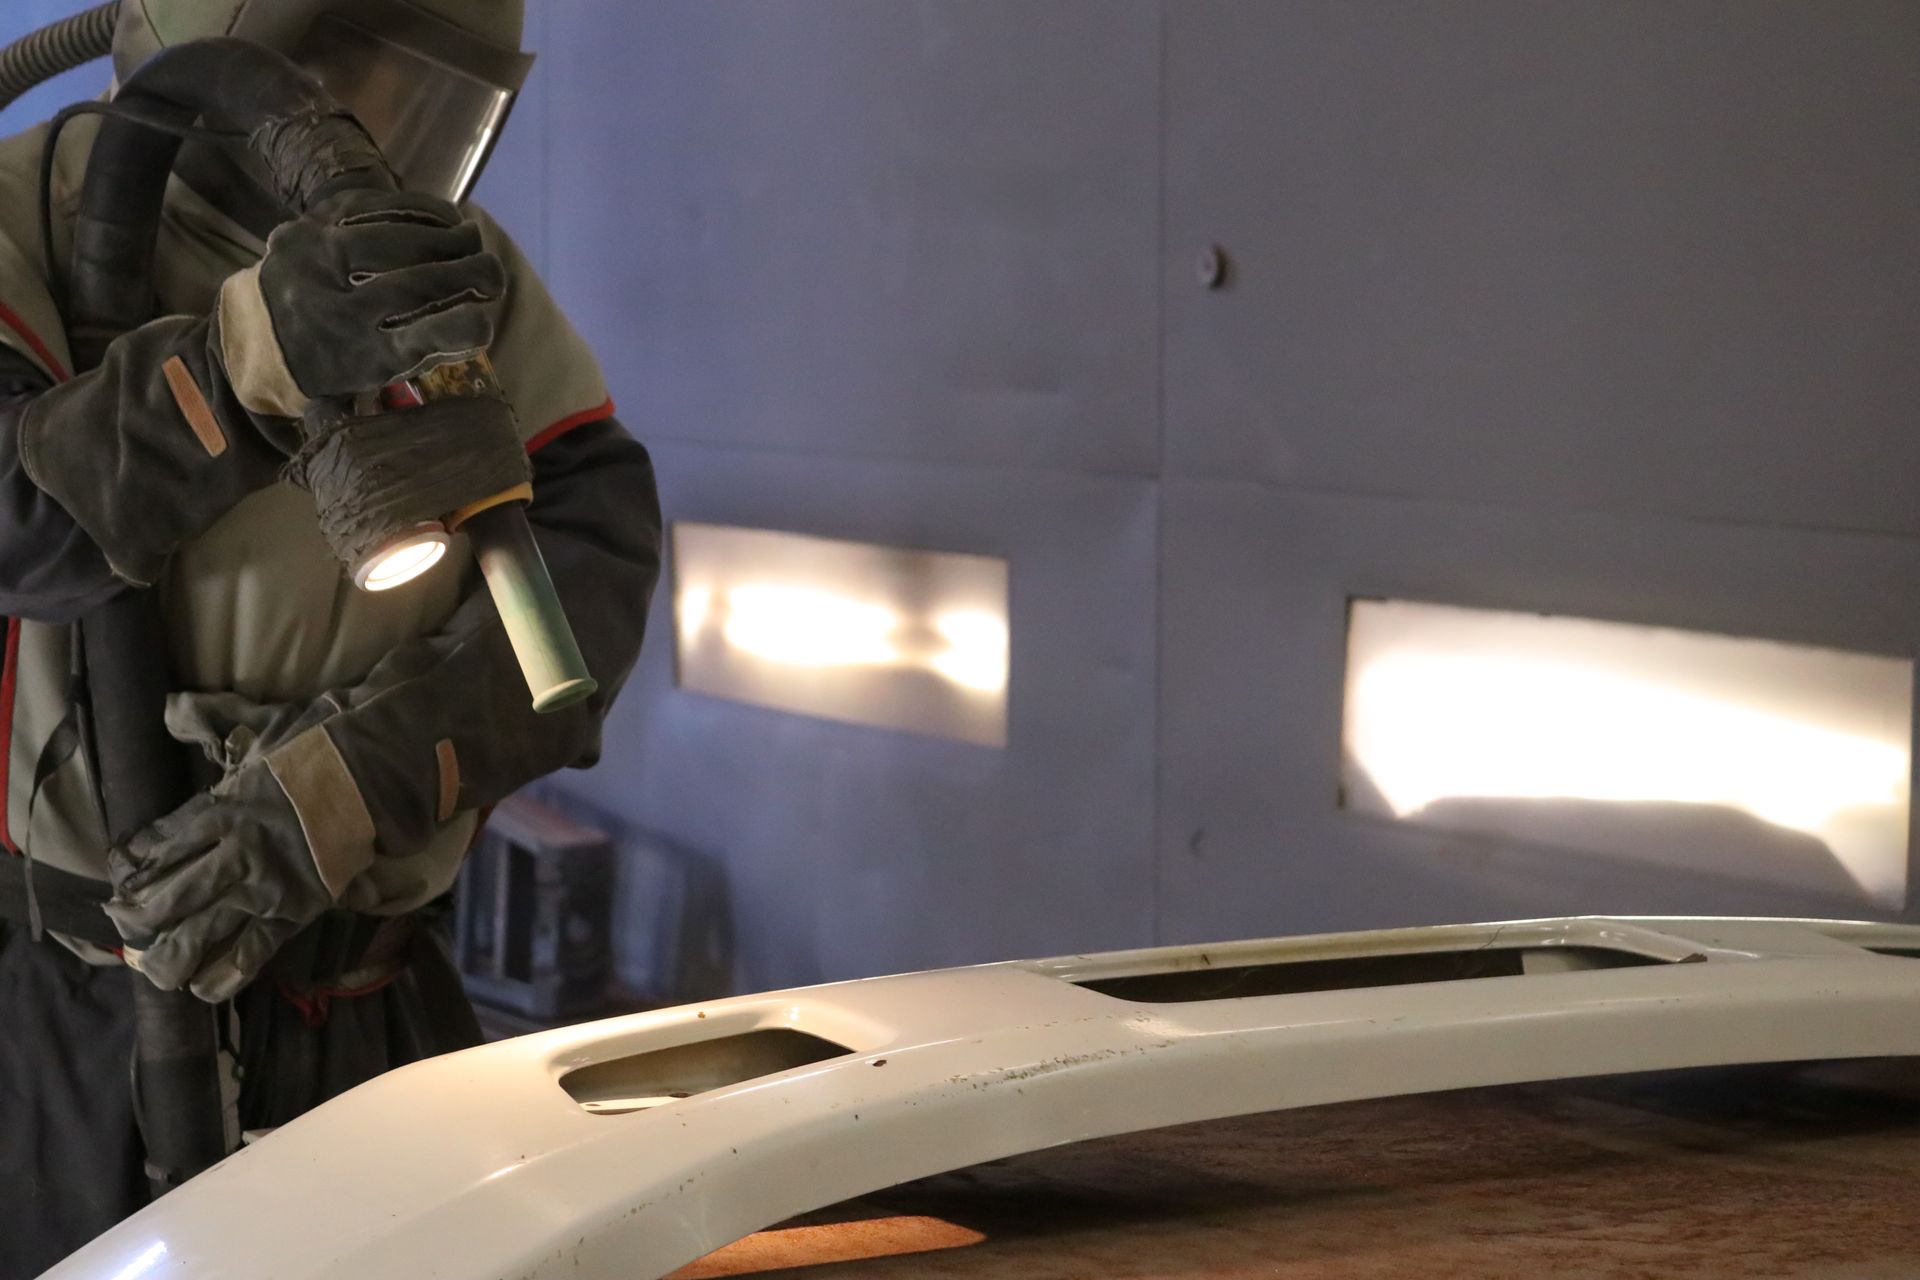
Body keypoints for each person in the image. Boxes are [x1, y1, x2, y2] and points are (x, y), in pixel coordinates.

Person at [0, 2, 661, 1274]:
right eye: (339, 76)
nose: (362, 137)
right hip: (75, 1021)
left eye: (422, 101)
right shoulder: (24, 214)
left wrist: (353, 784)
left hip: (373, 998)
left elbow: (587, 578)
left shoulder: (443, 263)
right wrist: (244, 363)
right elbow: (17, 528)